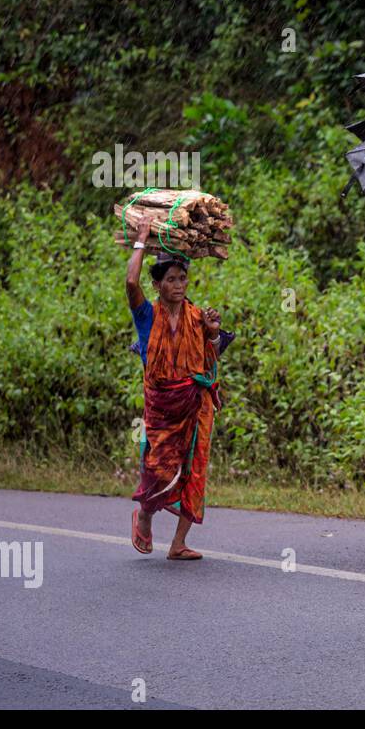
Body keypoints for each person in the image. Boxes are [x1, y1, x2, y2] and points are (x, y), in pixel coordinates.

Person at [125, 219, 226, 560]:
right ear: (157, 284)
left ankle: (178, 543)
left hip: (194, 404)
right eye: (171, 279)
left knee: (195, 468)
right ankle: (146, 517)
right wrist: (140, 240)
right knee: (158, 470)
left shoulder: (197, 316)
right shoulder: (146, 317)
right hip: (161, 407)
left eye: (182, 278)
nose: (179, 285)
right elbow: (129, 281)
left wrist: (212, 332)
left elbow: (210, 355)